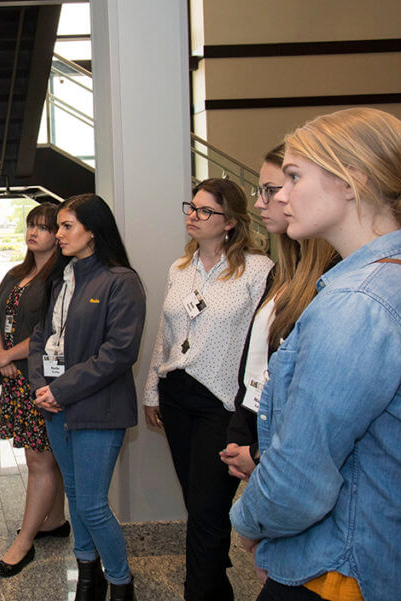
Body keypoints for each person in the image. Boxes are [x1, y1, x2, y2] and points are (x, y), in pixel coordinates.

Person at [230, 108, 401, 601]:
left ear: (352, 182)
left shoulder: (361, 302)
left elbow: (299, 478)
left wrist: (250, 523)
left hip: (347, 570)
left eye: (293, 176)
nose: (281, 195)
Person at [143, 178, 273, 601]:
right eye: (191, 207)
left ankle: (198, 592)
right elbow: (165, 332)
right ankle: (214, 587)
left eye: (204, 211)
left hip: (223, 402)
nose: (192, 216)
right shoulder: (180, 268)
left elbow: (262, 343)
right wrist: (151, 391)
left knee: (207, 509)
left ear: (231, 222)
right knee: (200, 506)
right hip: (176, 395)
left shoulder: (257, 270)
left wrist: (253, 410)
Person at [29, 193, 145, 601]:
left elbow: (118, 353)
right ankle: (87, 577)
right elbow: (41, 338)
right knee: (75, 495)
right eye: (58, 226)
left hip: (97, 408)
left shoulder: (120, 281)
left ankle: (120, 582)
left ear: (93, 232)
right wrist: (41, 386)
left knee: (93, 503)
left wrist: (60, 390)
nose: (57, 234)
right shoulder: (61, 278)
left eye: (66, 226)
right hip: (56, 405)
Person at [220, 146, 337, 480]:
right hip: (260, 431)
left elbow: (315, 398)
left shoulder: (333, 278)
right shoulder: (284, 270)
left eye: (270, 191)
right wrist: (241, 434)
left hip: (286, 452)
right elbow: (257, 359)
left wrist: (258, 453)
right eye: (263, 191)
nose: (260, 203)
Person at [0, 202, 68, 578]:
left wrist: (8, 356)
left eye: (44, 227)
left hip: (39, 379)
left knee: (40, 459)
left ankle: (24, 543)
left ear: (58, 235)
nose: (34, 232)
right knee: (43, 455)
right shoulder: (15, 273)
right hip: (15, 379)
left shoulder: (60, 277)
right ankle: (54, 520)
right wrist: (0, 354)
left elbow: (47, 331)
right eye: (30, 226)